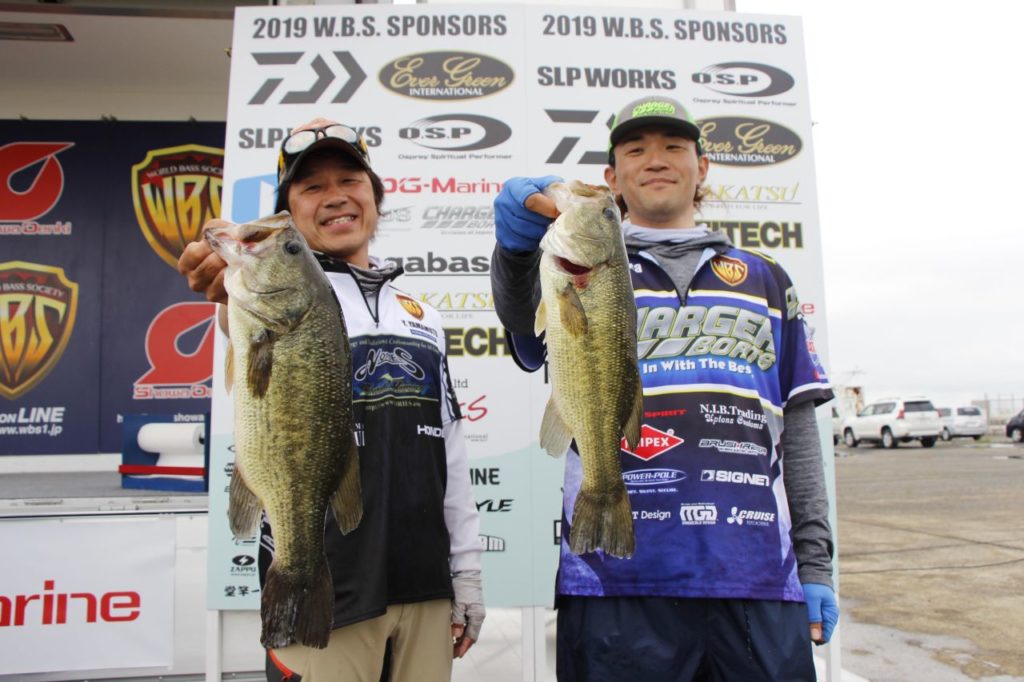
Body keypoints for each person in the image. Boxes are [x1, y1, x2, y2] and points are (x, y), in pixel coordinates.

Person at [490, 96, 839, 681]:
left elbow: (799, 429)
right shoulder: (570, 268)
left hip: (757, 575)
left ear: (702, 167)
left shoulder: (766, 277)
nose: (656, 160)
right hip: (613, 581)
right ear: (612, 178)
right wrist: (516, 252)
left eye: (674, 147)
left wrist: (815, 563)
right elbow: (522, 319)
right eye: (636, 150)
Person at [179, 118, 484, 682]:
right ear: (288, 211)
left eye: (350, 179)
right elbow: (227, 296)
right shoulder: (265, 295)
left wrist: (465, 574)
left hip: (424, 585)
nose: (336, 196)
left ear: (375, 197)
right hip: (326, 589)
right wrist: (223, 275)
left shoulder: (423, 316)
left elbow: (451, 453)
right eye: (312, 186)